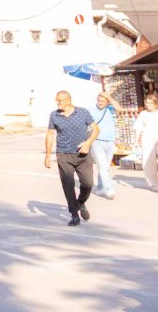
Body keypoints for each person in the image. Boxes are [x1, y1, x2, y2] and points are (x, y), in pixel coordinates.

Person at [45, 91, 98, 225]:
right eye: (57, 101)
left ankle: (80, 202)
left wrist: (88, 143)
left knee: (88, 184)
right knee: (68, 185)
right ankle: (74, 214)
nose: (58, 103)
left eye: (61, 100)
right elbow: (50, 134)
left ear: (69, 100)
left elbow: (96, 129)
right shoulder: (54, 115)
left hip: (83, 154)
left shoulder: (82, 112)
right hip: (63, 154)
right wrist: (47, 155)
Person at [134, 94, 158, 190]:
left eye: (150, 103)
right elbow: (138, 128)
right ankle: (152, 183)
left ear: (155, 104)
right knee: (148, 161)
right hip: (147, 138)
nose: (148, 105)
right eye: (146, 103)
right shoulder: (143, 114)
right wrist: (136, 141)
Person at [89, 92, 121, 199]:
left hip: (110, 141)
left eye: (103, 101)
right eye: (98, 100)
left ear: (107, 102)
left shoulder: (110, 109)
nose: (100, 103)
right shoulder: (91, 110)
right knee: (102, 166)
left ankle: (99, 188)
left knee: (105, 167)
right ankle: (109, 190)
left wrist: (109, 98)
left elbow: (119, 109)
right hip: (97, 141)